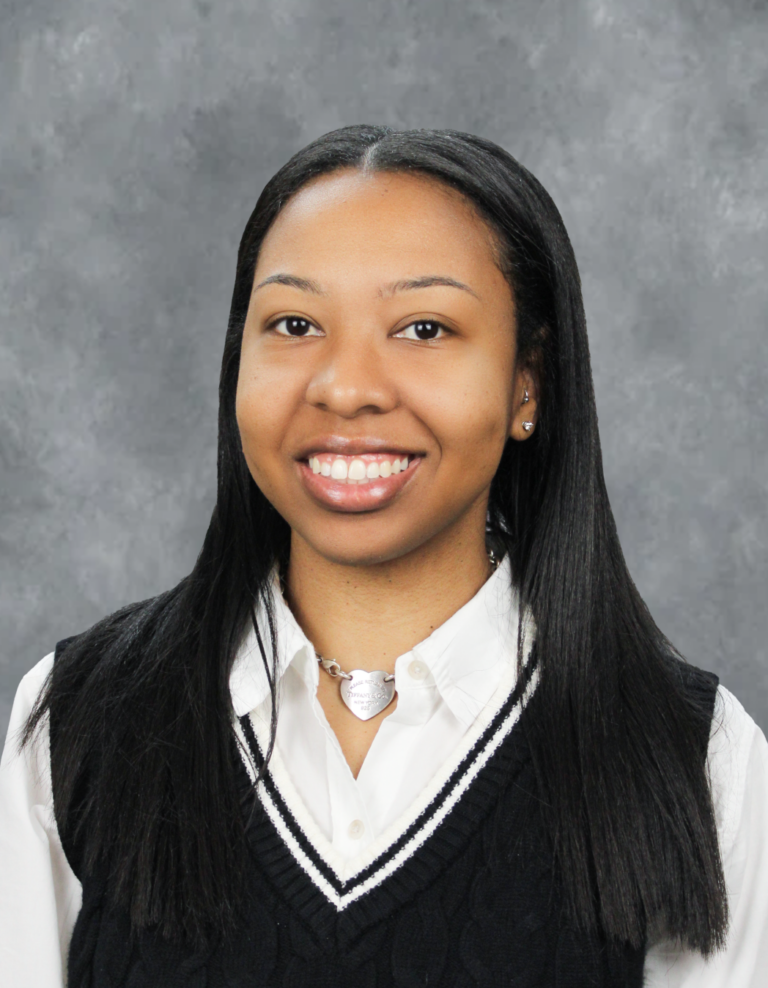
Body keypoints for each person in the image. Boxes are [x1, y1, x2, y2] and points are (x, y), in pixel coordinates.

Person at [1, 125, 767, 987]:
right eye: (294, 323)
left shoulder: (695, 759)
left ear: (529, 383)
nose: (346, 385)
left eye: (424, 328)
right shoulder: (79, 721)